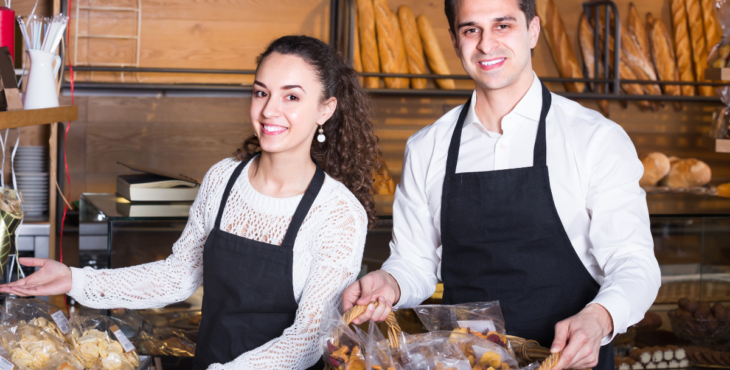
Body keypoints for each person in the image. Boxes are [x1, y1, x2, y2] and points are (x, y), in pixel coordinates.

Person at [0, 35, 381, 370]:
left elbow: (308, 338)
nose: (268, 111)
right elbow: (180, 275)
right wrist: (74, 278)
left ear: (325, 109)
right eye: (261, 92)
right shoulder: (223, 179)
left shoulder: (337, 212)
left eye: (292, 96)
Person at [342, 1, 661, 370]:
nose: (486, 44)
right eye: (471, 29)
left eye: (503, 25)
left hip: (567, 361)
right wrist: (390, 283)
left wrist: (601, 317)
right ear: (454, 39)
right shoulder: (427, 146)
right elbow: (414, 262)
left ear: (533, 31)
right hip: (464, 362)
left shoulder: (594, 138)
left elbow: (634, 262)